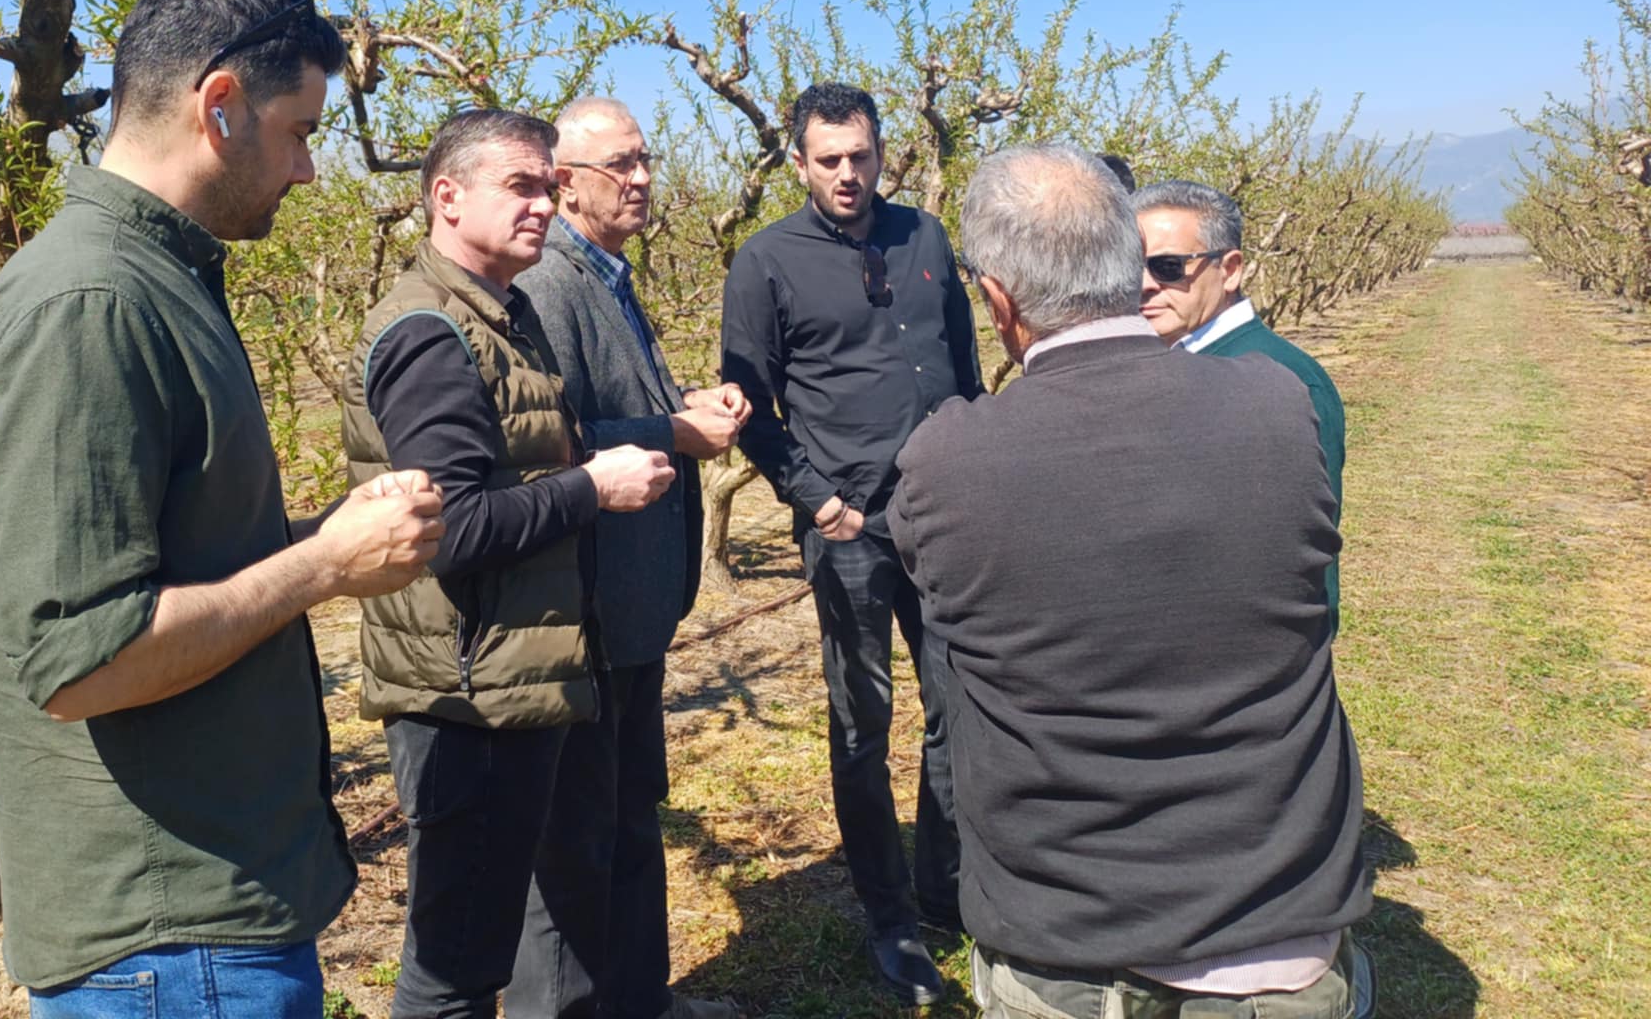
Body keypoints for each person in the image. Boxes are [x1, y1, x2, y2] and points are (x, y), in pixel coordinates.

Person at [0, 0, 448, 1017]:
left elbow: (177, 560)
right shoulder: (89, 301)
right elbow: (79, 661)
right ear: (218, 106)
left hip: (206, 920)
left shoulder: (159, 279)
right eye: (297, 130)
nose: (311, 167)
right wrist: (321, 567)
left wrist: (334, 535)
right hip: (169, 947)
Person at [894, 144, 1373, 1019]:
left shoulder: (947, 461)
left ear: (996, 298)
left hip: (1072, 941)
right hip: (1281, 928)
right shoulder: (1277, 405)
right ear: (1128, 261)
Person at [342, 108, 677, 1019]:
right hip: (465, 696)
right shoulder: (429, 333)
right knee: (454, 971)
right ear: (447, 197)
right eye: (521, 187)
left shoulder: (500, 312)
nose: (544, 204)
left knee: (483, 944)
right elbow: (449, 530)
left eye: (546, 186)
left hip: (508, 673)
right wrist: (592, 489)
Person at [719, 81, 983, 1008]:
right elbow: (747, 406)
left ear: (882, 156)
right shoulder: (766, 262)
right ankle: (890, 915)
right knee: (863, 721)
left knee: (962, 706)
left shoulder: (926, 238)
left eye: (860, 156)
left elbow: (967, 370)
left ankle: (947, 888)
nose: (846, 174)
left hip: (945, 517)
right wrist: (815, 500)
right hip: (852, 530)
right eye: (827, 159)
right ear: (798, 162)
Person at [508, 97, 749, 1019]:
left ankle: (641, 1001)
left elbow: (618, 407)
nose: (643, 178)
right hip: (590, 614)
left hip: (634, 612)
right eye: (622, 165)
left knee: (628, 818)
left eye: (646, 159)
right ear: (566, 183)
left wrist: (683, 405)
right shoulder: (551, 283)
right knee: (573, 847)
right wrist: (672, 430)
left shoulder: (608, 274)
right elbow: (555, 440)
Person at [1133, 179, 1347, 628]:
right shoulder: (1165, 365)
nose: (1144, 285)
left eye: (1167, 267)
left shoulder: (1287, 382)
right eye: (1130, 266)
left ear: (1230, 270)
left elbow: (1297, 553)